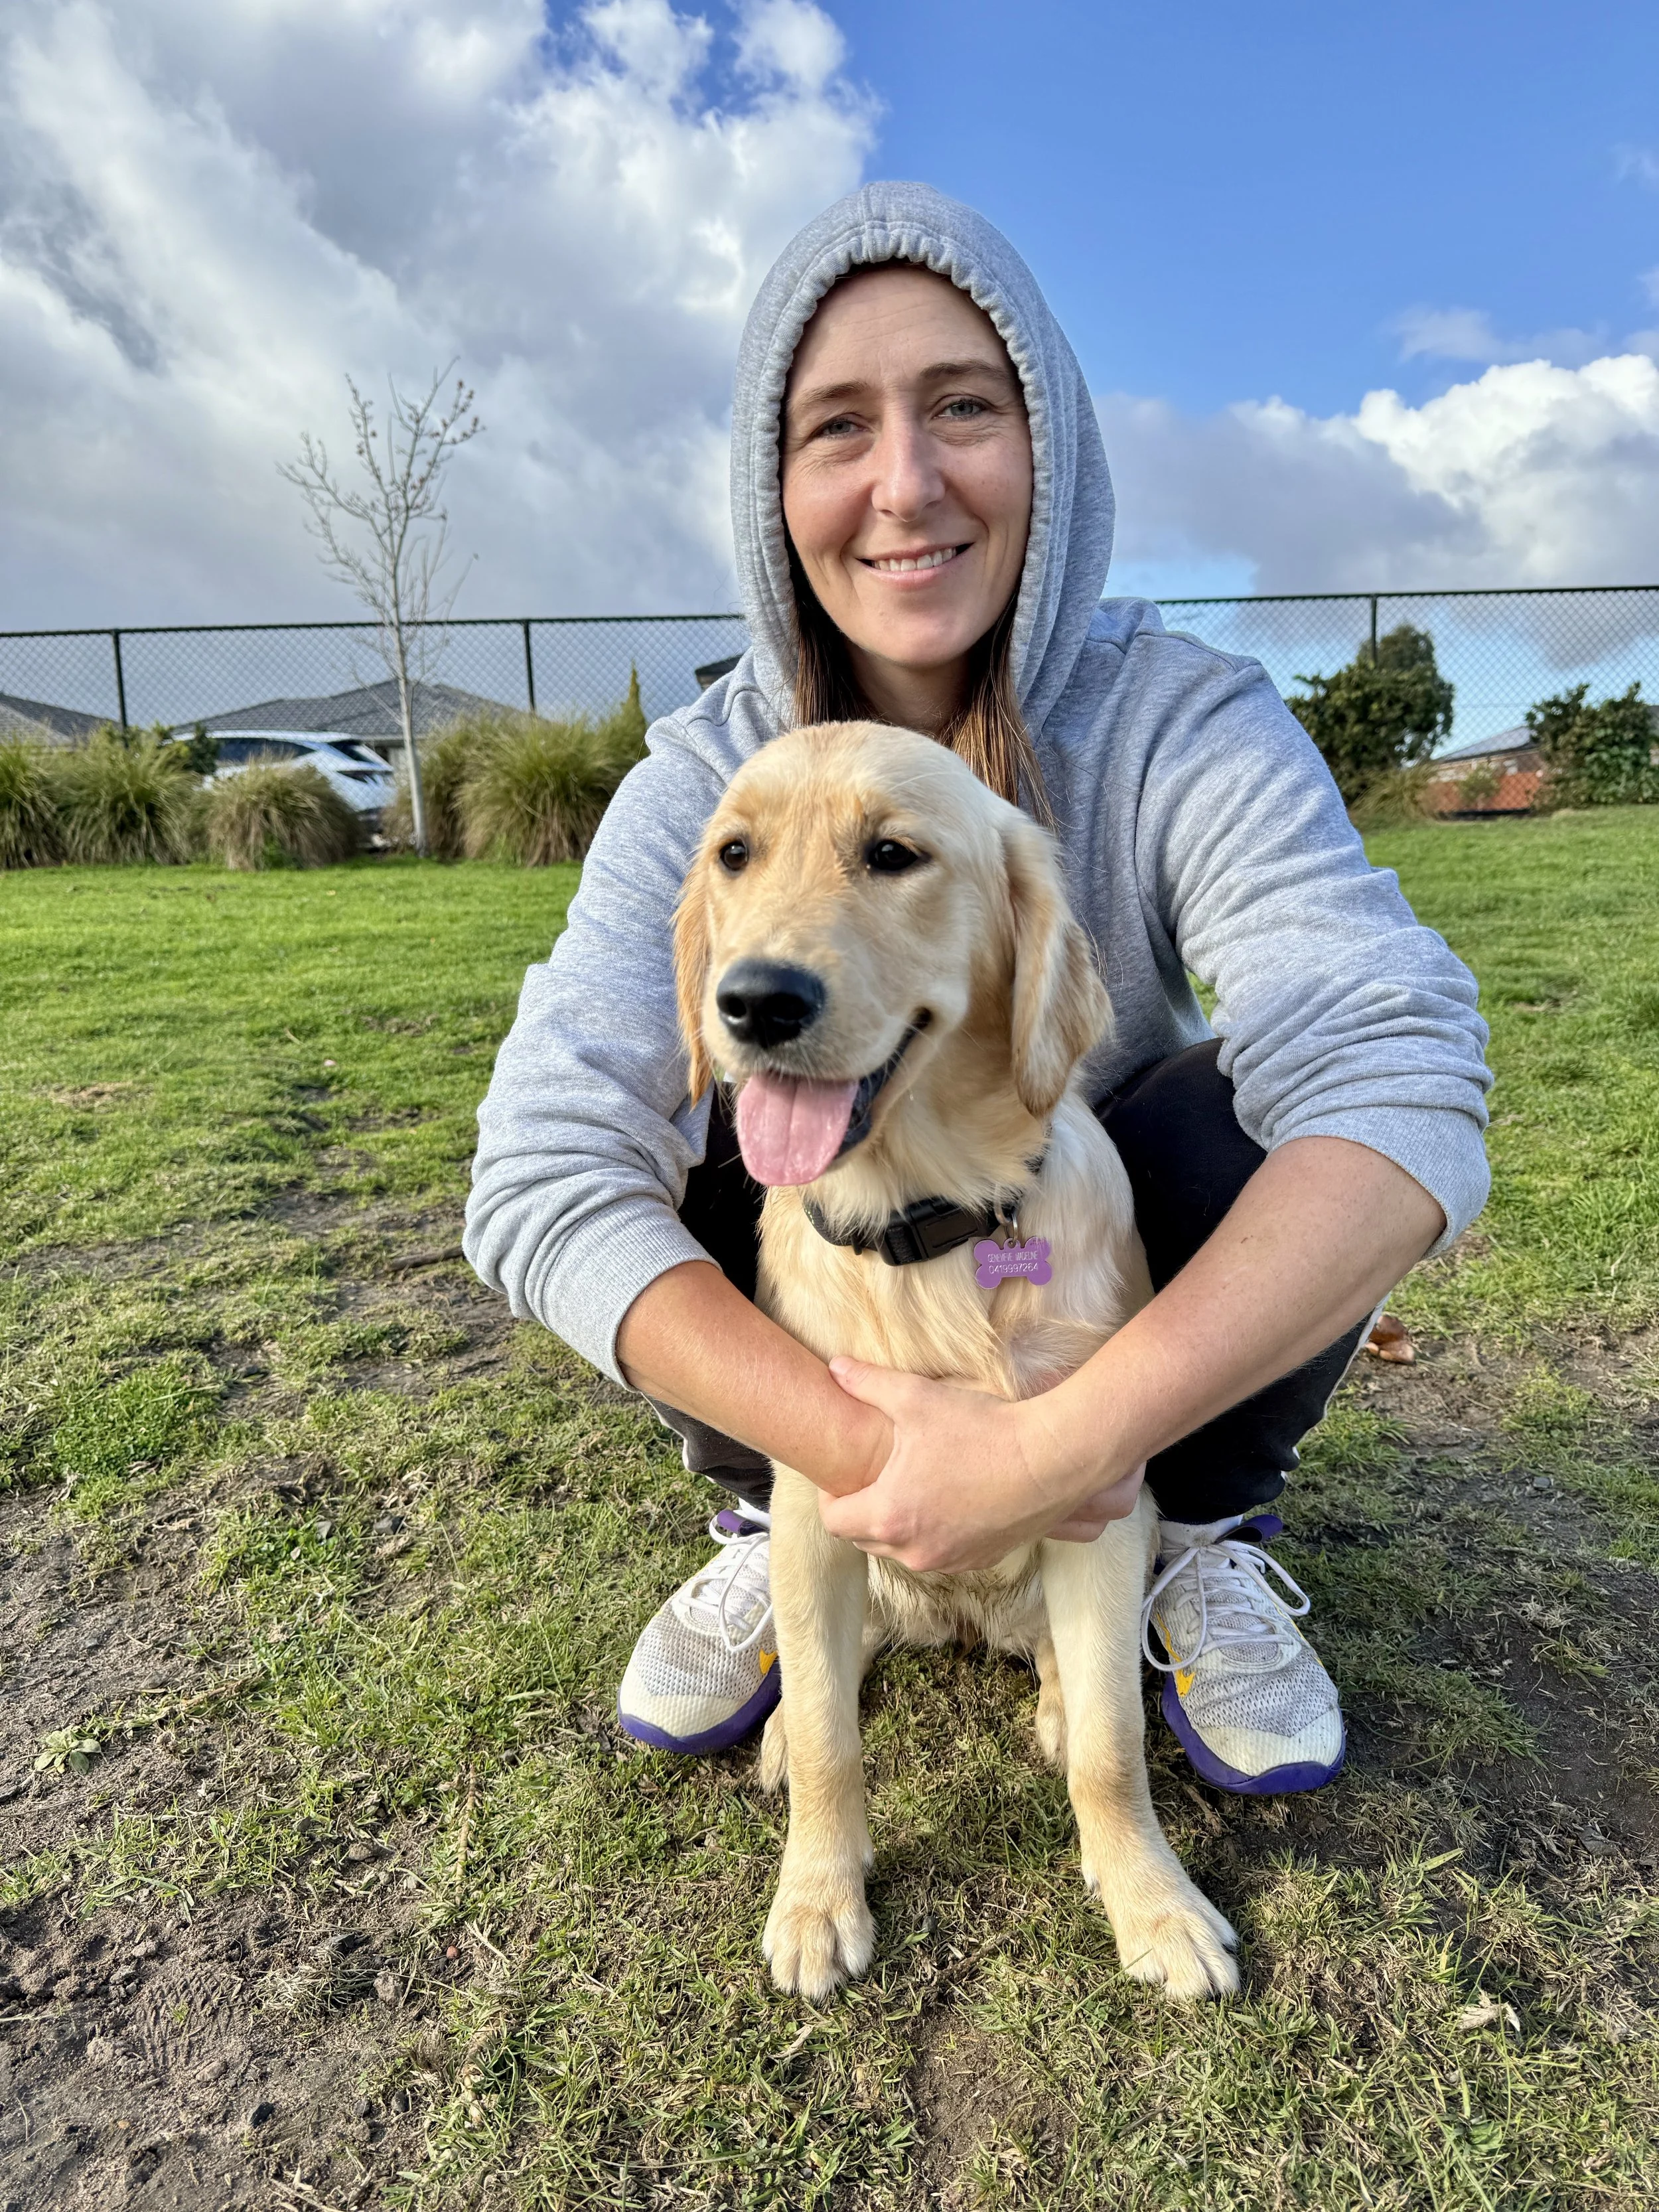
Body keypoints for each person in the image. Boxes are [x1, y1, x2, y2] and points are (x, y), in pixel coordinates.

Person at [466, 183, 1490, 1797]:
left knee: (1228, 1118)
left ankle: (1182, 1527)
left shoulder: (1182, 720)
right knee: (744, 1089)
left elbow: (1397, 1071)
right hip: (839, 1312)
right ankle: (793, 1521)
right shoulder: (702, 779)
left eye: (961, 406)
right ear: (771, 487)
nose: (904, 483)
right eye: (834, 427)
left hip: (1067, 1261)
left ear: (1050, 449)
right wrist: (869, 1463)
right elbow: (534, 1170)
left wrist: (1057, 1452)